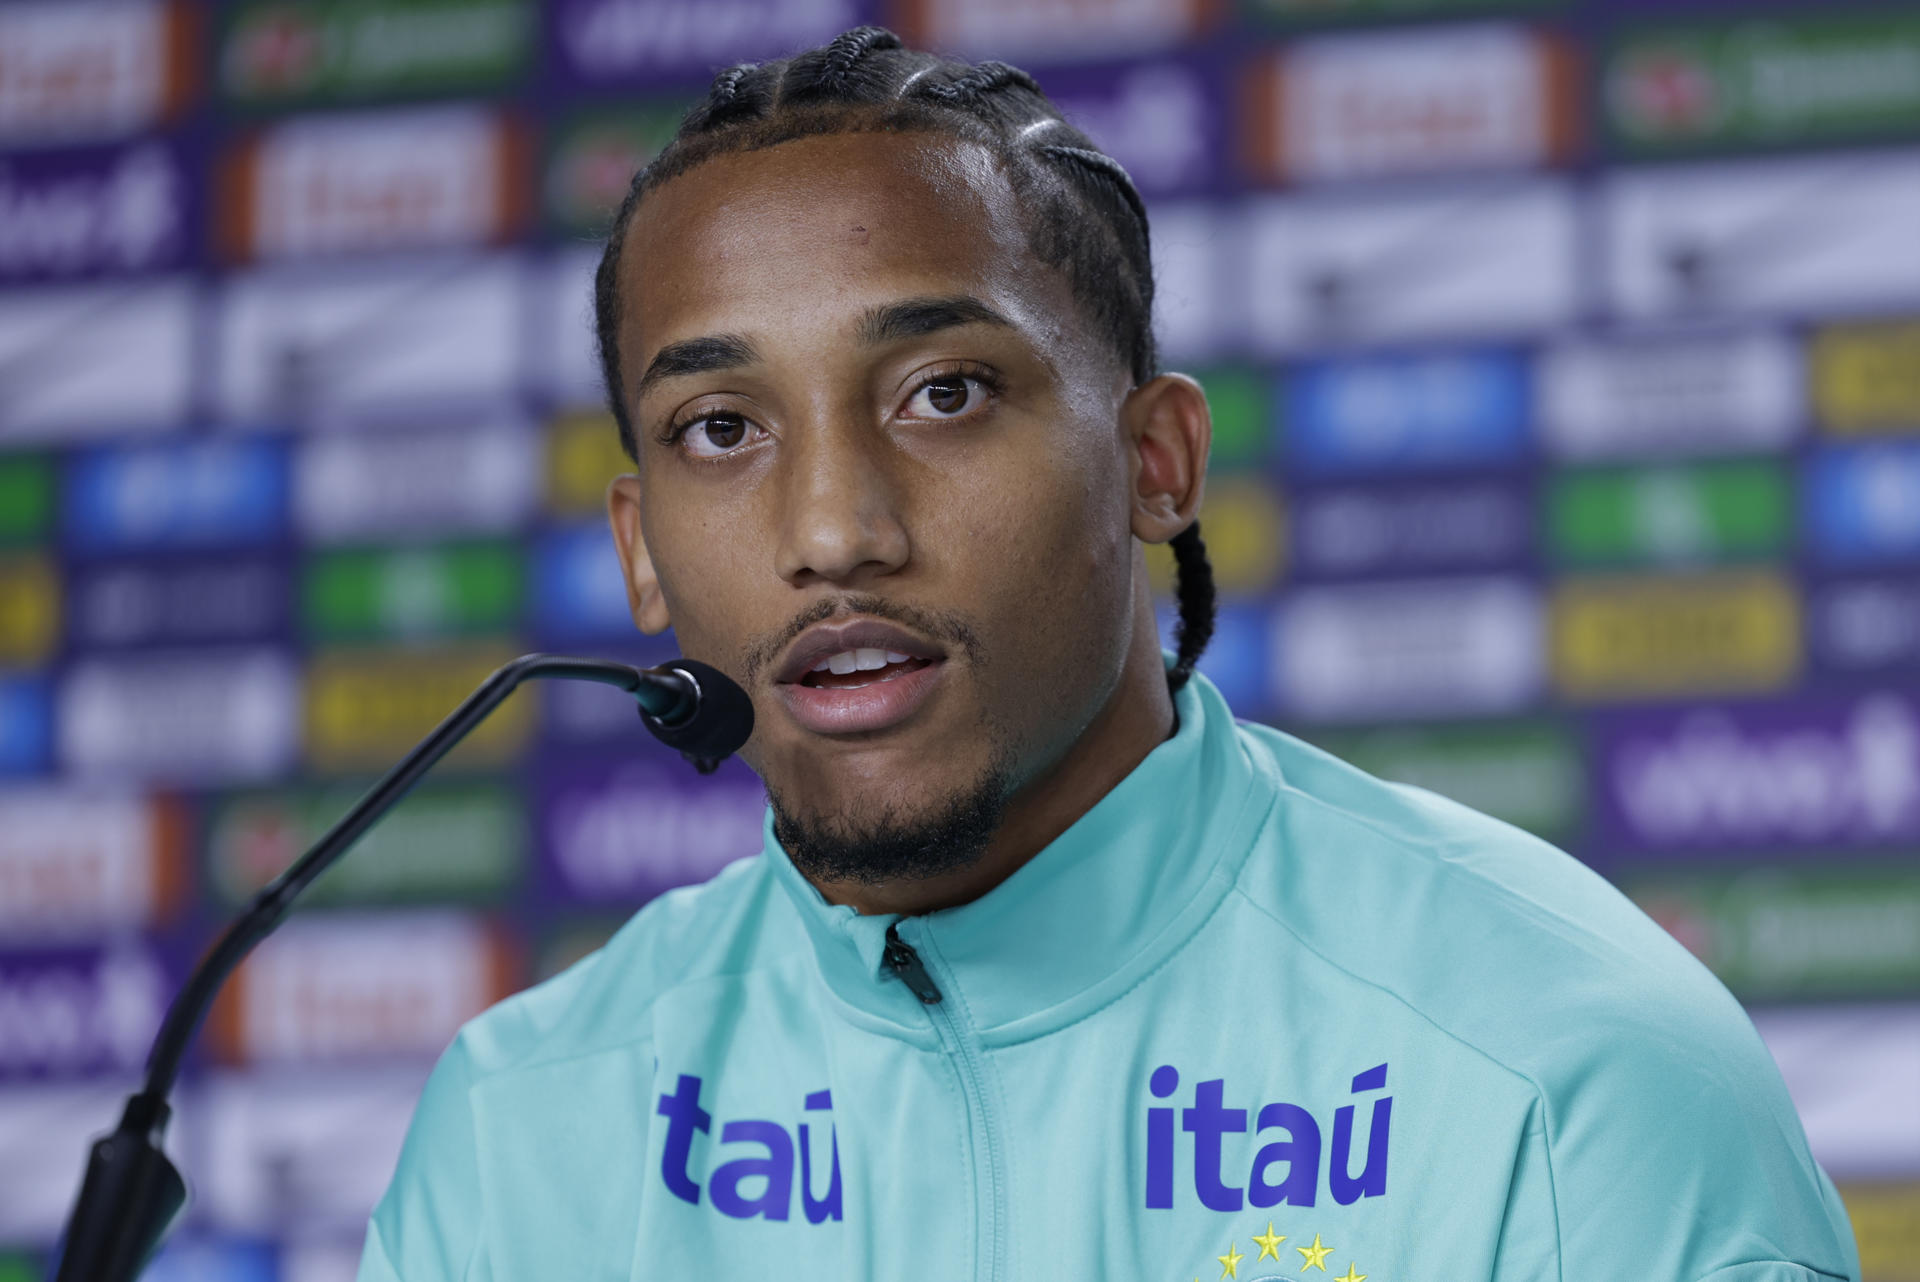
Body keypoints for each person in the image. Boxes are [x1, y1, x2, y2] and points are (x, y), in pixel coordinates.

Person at [358, 28, 1858, 1282]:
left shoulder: (1569, 1077)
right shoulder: (516, 1137)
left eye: (943, 392)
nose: (832, 529)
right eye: (721, 429)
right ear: (637, 547)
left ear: (1156, 461)